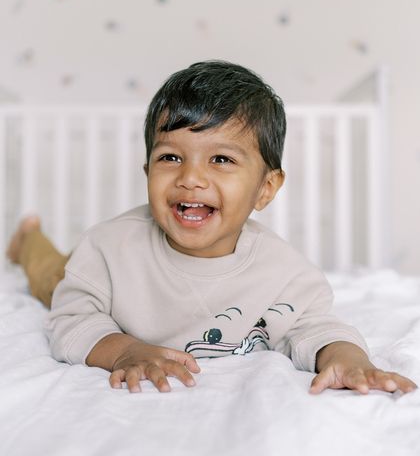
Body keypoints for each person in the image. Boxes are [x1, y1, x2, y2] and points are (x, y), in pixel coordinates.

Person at [6, 60, 417, 396]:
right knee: (50, 276)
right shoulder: (107, 248)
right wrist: (125, 349)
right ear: (147, 171)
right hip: (80, 277)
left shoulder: (284, 273)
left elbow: (314, 326)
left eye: (221, 160)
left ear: (266, 188)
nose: (191, 178)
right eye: (170, 158)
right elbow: (72, 319)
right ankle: (29, 240)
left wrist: (349, 359)